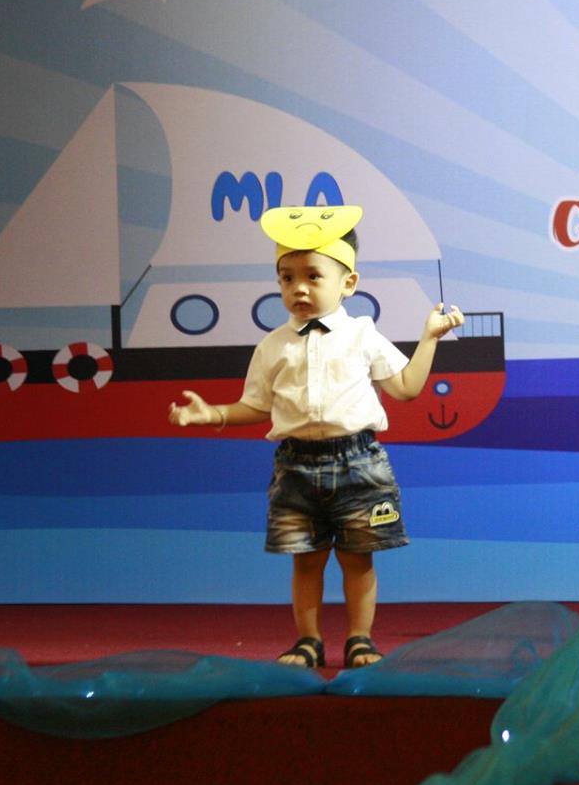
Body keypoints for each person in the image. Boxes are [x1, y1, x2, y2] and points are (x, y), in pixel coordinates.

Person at [167, 207, 463, 669]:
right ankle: (308, 641)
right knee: (305, 560)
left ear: (348, 283)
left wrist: (429, 338)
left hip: (359, 463)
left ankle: (360, 640)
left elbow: (406, 388)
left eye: (312, 276)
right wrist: (214, 414)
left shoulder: (363, 335)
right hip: (296, 467)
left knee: (358, 558)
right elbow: (257, 406)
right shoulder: (272, 346)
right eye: (287, 278)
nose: (298, 288)